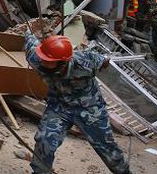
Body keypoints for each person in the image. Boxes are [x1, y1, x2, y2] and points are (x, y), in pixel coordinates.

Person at [25, 31, 130, 174]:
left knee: (106, 146)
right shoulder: (36, 59)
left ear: (63, 62)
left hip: (89, 107)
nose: (42, 62)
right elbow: (30, 41)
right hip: (59, 106)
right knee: (44, 139)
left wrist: (105, 62)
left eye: (48, 61)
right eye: (42, 58)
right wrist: (30, 32)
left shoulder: (85, 61)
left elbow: (104, 60)